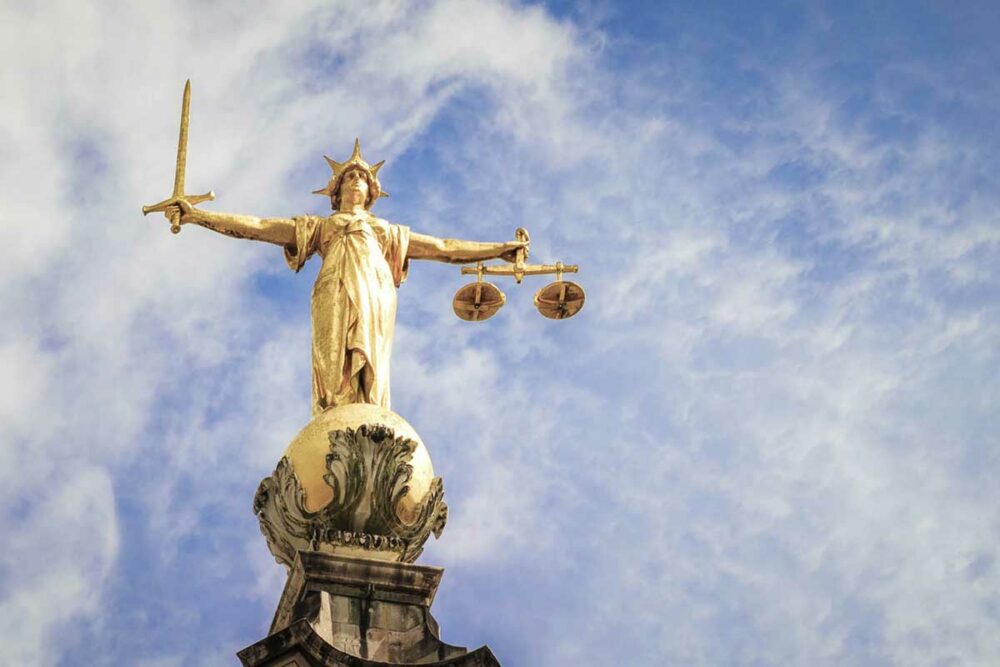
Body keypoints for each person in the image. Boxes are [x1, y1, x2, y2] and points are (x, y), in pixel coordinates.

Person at [162, 139, 525, 414]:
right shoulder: (322, 227)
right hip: (334, 289)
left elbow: (445, 247)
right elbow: (258, 227)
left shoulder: (385, 231)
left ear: (371, 192)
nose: (355, 181)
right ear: (335, 194)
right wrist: (198, 217)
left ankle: (370, 412)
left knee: (373, 361)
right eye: (348, 177)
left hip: (375, 292)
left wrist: (498, 249)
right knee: (334, 365)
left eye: (361, 178)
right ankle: (336, 413)